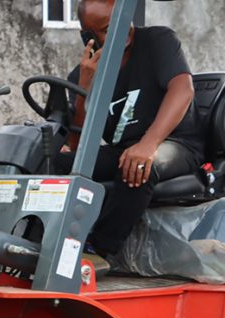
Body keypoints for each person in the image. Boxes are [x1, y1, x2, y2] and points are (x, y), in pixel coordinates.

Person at [55, 0, 200, 256]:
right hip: (122, 149)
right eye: (107, 29)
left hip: (175, 143)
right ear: (87, 37)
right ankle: (45, 241)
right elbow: (77, 146)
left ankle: (98, 251)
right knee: (57, 164)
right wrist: (84, 90)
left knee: (135, 165)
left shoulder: (157, 41)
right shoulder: (83, 74)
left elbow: (183, 89)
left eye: (123, 22)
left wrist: (148, 144)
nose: (122, 32)